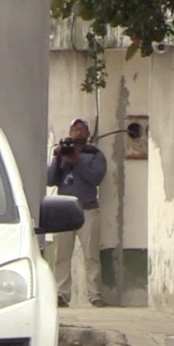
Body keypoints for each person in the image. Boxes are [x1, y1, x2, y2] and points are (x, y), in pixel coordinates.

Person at [46, 118, 108, 307]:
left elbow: (96, 178)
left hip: (87, 208)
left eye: (81, 130)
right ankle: (61, 293)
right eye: (74, 129)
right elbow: (49, 180)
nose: (78, 133)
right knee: (62, 255)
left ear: (88, 134)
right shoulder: (62, 153)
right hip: (65, 210)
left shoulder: (95, 154)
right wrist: (58, 158)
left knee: (91, 255)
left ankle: (94, 294)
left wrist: (77, 162)